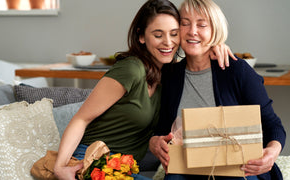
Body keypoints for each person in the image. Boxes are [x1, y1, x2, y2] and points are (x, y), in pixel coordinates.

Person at [54, 0, 235, 179]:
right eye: (158, 35)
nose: (168, 42)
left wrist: (215, 46)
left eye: (174, 34)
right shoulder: (131, 70)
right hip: (93, 160)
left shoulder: (170, 75)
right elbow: (81, 119)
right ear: (141, 36)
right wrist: (60, 167)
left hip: (125, 168)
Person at [149, 0, 286, 180]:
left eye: (202, 24)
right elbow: (163, 128)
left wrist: (272, 151)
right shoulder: (170, 74)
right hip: (186, 168)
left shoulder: (236, 70)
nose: (192, 31)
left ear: (215, 30)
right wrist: (154, 141)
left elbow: (273, 124)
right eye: (185, 23)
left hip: (237, 168)